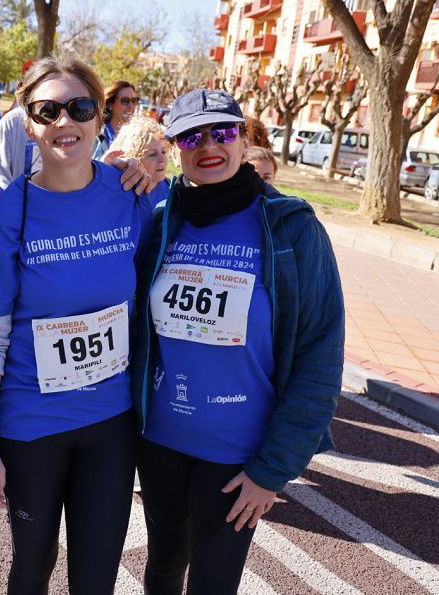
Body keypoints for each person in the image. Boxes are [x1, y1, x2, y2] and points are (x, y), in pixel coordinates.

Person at [132, 88, 344, 594]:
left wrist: (273, 469)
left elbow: (321, 353)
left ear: (244, 138)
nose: (210, 145)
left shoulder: (292, 228)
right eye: (192, 136)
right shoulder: (161, 222)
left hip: (237, 457)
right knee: (162, 566)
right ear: (176, 146)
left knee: (214, 580)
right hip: (160, 442)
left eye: (223, 132)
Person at [0, 52, 154, 594]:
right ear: (28, 123)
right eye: (49, 111)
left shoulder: (130, 194)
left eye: (80, 107)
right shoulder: (11, 210)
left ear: (100, 117)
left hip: (110, 422)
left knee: (95, 577)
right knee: (31, 567)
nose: (65, 122)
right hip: (31, 423)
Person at [108, 115, 172, 207]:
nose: (162, 159)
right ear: (133, 158)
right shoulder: (122, 190)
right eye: (152, 154)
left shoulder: (170, 190)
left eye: (163, 151)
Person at [92, 79, 139, 159]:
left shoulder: (138, 136)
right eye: (125, 101)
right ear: (110, 104)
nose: (131, 106)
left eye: (134, 101)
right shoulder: (96, 136)